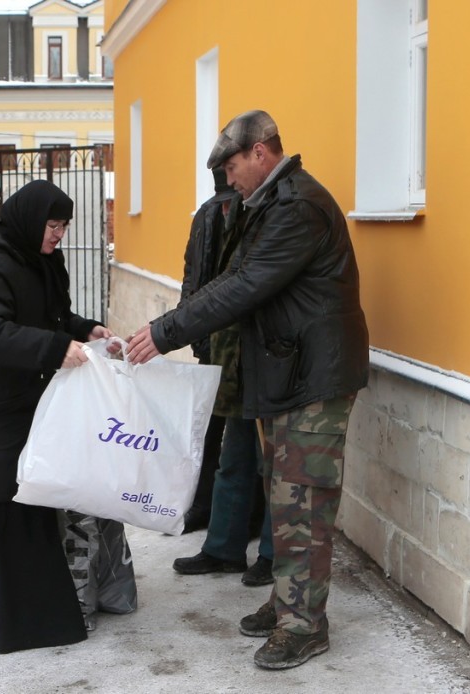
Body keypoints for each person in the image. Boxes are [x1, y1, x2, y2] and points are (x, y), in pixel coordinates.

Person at [127, 110, 369, 669]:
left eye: (233, 167)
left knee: (303, 502)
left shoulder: (297, 207)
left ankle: (304, 625)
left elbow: (245, 284)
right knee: (286, 498)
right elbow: (234, 281)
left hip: (313, 376)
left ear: (261, 153)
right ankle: (290, 602)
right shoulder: (270, 202)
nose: (229, 180)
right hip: (290, 371)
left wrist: (164, 333)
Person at [0, 179, 112, 654]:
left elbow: (51, 317)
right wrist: (55, 348)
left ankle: (26, 614)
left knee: (22, 497)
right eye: (53, 225)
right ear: (31, 220)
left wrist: (83, 329)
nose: (58, 235)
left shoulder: (45, 260)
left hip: (23, 399)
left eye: (65, 226)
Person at [172, 174, 274, 587]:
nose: (231, 205)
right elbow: (195, 277)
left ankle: (271, 555)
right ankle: (223, 549)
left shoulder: (271, 219)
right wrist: (194, 335)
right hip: (228, 357)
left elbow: (241, 289)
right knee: (232, 459)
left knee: (273, 467)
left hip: (267, 363)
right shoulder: (210, 216)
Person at [176, 168, 232, 533]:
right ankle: (202, 504)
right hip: (211, 338)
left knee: (240, 438)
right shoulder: (205, 218)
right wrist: (190, 328)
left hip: (239, 342)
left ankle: (244, 515)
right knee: (208, 429)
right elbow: (192, 276)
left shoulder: (251, 216)